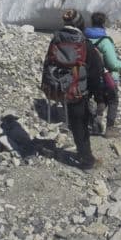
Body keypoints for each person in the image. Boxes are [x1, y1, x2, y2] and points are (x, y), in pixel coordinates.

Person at [45, 9, 104, 170]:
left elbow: (48, 64)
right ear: (80, 24)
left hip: (61, 89)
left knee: (74, 123)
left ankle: (84, 154)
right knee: (81, 125)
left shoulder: (55, 41)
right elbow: (96, 72)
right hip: (79, 92)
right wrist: (99, 97)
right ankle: (87, 160)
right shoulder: (85, 45)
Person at [85, 12, 121, 138]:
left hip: (91, 78)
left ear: (92, 22)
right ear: (103, 24)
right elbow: (113, 64)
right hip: (107, 77)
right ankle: (110, 129)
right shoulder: (104, 41)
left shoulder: (85, 39)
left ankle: (96, 122)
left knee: (100, 99)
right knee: (113, 100)